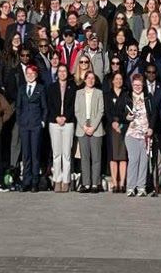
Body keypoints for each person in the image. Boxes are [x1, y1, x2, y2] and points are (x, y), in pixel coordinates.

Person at [15, 61, 47, 192]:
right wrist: (19, 121)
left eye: (32, 73)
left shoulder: (41, 88)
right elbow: (18, 106)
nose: (30, 75)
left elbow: (44, 107)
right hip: (24, 125)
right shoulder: (22, 88)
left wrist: (42, 122)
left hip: (36, 125)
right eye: (28, 73)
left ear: (36, 74)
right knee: (26, 155)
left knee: (35, 154)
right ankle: (26, 181)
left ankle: (35, 181)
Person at [46, 60, 76, 191]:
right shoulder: (51, 87)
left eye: (64, 71)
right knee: (56, 153)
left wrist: (65, 117)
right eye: (60, 71)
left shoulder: (72, 87)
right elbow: (49, 105)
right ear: (57, 73)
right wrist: (56, 117)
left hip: (68, 122)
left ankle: (66, 180)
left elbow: (74, 106)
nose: (62, 73)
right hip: (54, 122)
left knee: (67, 153)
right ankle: (57, 179)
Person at [76, 68, 105, 192]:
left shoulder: (99, 93)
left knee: (96, 157)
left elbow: (101, 111)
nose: (90, 80)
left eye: (93, 78)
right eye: (88, 78)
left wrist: (93, 126)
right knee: (85, 157)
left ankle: (95, 183)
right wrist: (84, 126)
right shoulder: (79, 93)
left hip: (96, 127)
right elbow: (76, 111)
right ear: (84, 79)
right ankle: (86, 183)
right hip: (82, 127)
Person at [124, 72, 153, 197]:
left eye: (139, 85)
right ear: (132, 85)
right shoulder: (127, 97)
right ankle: (130, 187)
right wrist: (127, 117)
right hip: (131, 133)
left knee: (143, 161)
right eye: (135, 85)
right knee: (133, 159)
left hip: (145, 134)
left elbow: (153, 114)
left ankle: (141, 187)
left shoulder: (148, 98)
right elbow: (121, 113)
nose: (137, 87)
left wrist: (151, 128)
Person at [105, 67, 129, 193]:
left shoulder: (126, 95)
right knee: (113, 156)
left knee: (123, 156)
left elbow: (128, 111)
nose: (118, 81)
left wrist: (121, 123)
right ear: (112, 81)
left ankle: (122, 183)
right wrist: (113, 122)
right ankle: (115, 183)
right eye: (116, 79)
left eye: (120, 79)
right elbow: (107, 111)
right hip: (111, 128)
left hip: (124, 127)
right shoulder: (107, 95)